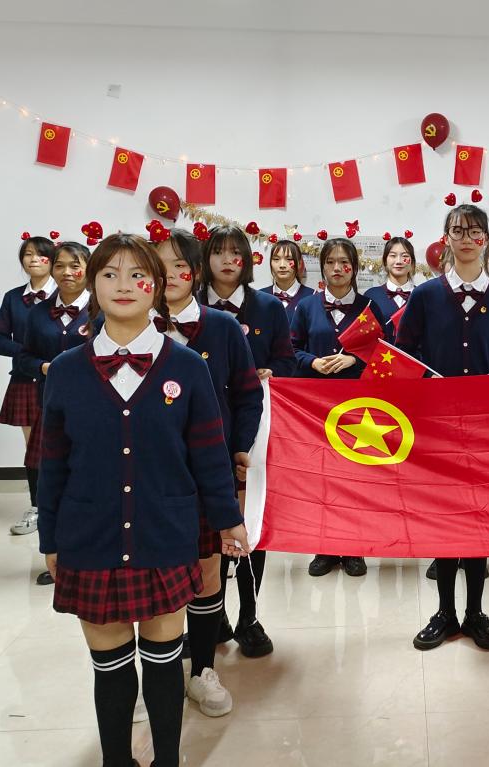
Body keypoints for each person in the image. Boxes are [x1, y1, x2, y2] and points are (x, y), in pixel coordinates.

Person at [37, 232, 250, 767]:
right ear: (92, 285)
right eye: (110, 274)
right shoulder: (66, 371)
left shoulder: (187, 366)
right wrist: (50, 539)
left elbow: (209, 454)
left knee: (162, 664)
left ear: (157, 286)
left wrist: (228, 520)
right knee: (110, 669)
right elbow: (52, 464)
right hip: (89, 538)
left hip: (165, 534)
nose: (124, 285)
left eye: (138, 275)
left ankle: (167, 760)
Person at [397, 203, 489, 652]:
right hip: (435, 426)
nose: (466, 239)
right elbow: (404, 354)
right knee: (443, 516)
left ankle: (475, 612)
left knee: (479, 517)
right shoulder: (425, 296)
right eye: (458, 231)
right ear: (446, 238)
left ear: (486, 239)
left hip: (485, 428)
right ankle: (445, 612)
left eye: (475, 232)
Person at [154, 228, 263, 716]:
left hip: (208, 467)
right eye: (159, 266)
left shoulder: (221, 327)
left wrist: (239, 447)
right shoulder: (129, 325)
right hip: (149, 472)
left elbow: (248, 392)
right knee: (153, 570)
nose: (170, 275)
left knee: (208, 570)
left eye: (180, 265)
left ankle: (202, 669)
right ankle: (158, 671)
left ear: (195, 273)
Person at [198, 225, 294, 658]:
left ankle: (249, 617)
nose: (227, 260)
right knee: (208, 523)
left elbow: (286, 359)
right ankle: (212, 613)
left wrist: (270, 371)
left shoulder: (268, 307)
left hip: (255, 424)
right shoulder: (193, 307)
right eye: (218, 252)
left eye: (235, 252)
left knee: (250, 515)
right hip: (202, 427)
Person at [292, 237, 385, 578]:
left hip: (359, 406)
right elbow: (291, 349)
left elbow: (385, 352)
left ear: (355, 268)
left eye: (344, 262)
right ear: (321, 267)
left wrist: (354, 360)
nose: (337, 268)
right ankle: (325, 547)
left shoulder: (370, 306)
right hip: (317, 406)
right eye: (330, 262)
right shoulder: (306, 307)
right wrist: (312, 362)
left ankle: (354, 546)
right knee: (323, 477)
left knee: (356, 475)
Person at [16, 241, 94, 584]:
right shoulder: (38, 313)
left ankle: (92, 555)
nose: (66, 273)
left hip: (95, 410)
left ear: (88, 270)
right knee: (54, 482)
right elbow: (23, 357)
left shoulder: (101, 310)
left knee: (90, 481)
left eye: (75, 266)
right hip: (52, 407)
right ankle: (58, 557)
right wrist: (43, 367)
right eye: (60, 265)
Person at [0, 234, 56, 535]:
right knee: (35, 448)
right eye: (27, 254)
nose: (33, 259)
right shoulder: (13, 298)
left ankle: (65, 506)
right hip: (27, 379)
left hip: (62, 379)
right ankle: (37, 508)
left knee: (69, 443)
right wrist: (29, 354)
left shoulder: (68, 296)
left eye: (40, 254)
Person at [363, 236, 416, 324]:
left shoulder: (421, 295)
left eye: (405, 256)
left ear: (412, 263)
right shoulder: (371, 295)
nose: (398, 261)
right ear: (385, 262)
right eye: (393, 256)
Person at [260, 239, 315, 321]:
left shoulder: (313, 297)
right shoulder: (260, 297)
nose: (282, 265)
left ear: (299, 263)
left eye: (289, 259)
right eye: (276, 259)